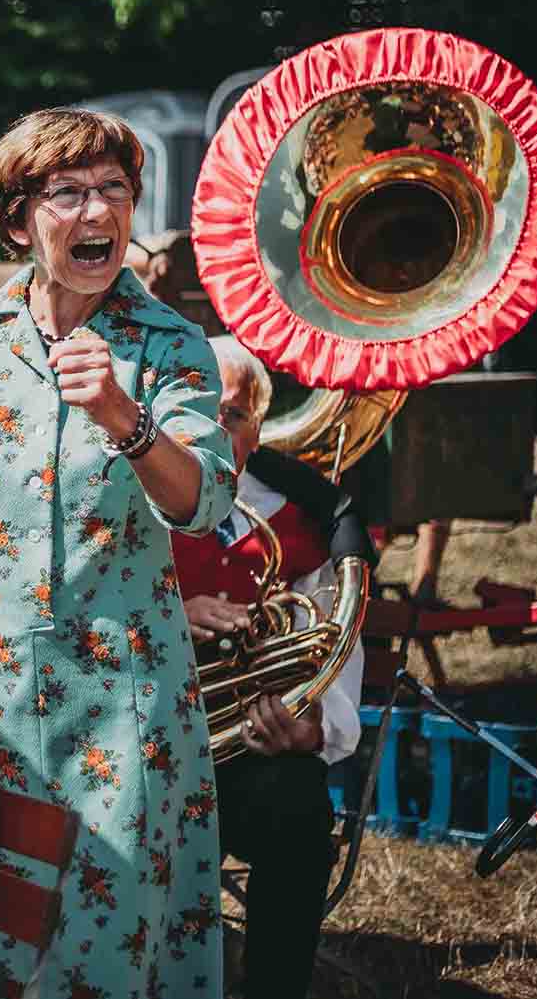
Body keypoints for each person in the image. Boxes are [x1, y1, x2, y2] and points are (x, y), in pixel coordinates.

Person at [0, 107, 237, 997]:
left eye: (115, 190)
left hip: (121, 699)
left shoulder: (171, 345)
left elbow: (206, 501)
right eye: (69, 192)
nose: (98, 211)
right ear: (18, 218)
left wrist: (125, 416)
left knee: (107, 943)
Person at [179, 336, 366, 999]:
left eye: (231, 413)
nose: (211, 427)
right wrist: (169, 614)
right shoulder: (127, 506)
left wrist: (312, 728)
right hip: (143, 752)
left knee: (298, 808)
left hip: (247, 756)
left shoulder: (297, 524)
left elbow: (334, 653)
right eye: (195, 408)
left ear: (256, 428)